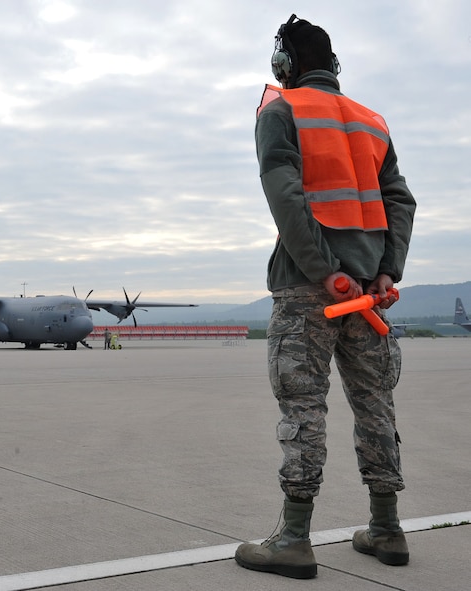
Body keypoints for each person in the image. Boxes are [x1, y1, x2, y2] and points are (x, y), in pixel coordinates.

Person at [234, 15, 416, 580]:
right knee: (376, 408)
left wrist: (322, 269)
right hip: (369, 297)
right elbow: (400, 201)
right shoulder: (371, 121)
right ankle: (386, 529)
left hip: (308, 289)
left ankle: (293, 538)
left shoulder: (280, 110)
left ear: (285, 63)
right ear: (333, 64)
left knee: (304, 410)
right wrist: (385, 272)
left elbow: (285, 194)